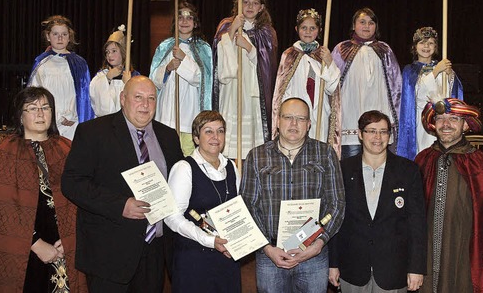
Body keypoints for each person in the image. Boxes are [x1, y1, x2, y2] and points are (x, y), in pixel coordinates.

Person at [62, 75, 184, 293]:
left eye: (151, 98)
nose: (145, 105)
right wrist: (120, 205)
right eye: (138, 97)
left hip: (155, 251)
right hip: (110, 252)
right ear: (122, 98)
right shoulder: (93, 132)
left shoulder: (168, 137)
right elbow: (72, 183)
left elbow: (181, 187)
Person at [0, 87, 86, 292]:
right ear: (20, 116)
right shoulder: (5, 152)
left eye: (45, 107)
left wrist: (71, 238)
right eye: (32, 108)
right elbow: (2, 208)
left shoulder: (67, 148)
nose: (40, 113)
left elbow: (81, 199)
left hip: (64, 244)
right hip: (23, 247)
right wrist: (37, 245)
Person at [241, 97, 345, 293]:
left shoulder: (325, 154)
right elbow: (248, 205)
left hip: (313, 254)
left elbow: (337, 203)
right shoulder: (257, 156)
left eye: (301, 118)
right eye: (288, 117)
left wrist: (320, 242)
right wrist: (266, 248)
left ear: (309, 124)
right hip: (270, 254)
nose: (294, 123)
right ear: (277, 121)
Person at [329, 110, 426, 292]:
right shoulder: (342, 170)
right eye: (371, 131)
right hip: (352, 269)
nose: (377, 137)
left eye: (383, 131)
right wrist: (332, 264)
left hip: (394, 271)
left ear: (390, 136)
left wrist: (416, 268)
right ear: (360, 134)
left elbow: (417, 224)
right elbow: (336, 222)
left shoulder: (408, 171)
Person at [415, 98, 483, 293]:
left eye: (454, 119)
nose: (446, 124)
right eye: (440, 118)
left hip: (463, 250)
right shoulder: (423, 159)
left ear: (465, 125)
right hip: (426, 249)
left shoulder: (478, 162)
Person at [164, 110, 240, 292]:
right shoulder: (184, 168)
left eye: (220, 131)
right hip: (194, 260)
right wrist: (209, 240)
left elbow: (237, 209)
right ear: (196, 138)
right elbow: (171, 217)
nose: (216, 137)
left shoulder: (231, 166)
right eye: (208, 131)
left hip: (227, 257)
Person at [212, 0, 278, 159]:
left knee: (249, 141)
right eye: (246, 2)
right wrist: (233, 29)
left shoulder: (266, 32)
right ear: (239, 3)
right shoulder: (226, 25)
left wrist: (248, 47)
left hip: (252, 93)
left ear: (261, 7)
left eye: (255, 3)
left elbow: (267, 67)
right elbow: (220, 60)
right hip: (231, 89)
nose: (250, 7)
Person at [332, 7, 401, 159]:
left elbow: (396, 85)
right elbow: (331, 82)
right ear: (353, 25)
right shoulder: (342, 49)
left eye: (371, 23)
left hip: (378, 108)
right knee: (351, 166)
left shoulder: (384, 50)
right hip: (351, 113)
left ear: (376, 27)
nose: (366, 26)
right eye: (362, 22)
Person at [272, 8, 341, 155]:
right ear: (297, 29)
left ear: (319, 30)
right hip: (297, 114)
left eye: (312, 28)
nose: (308, 31)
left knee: (318, 149)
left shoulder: (323, 54)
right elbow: (282, 89)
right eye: (304, 28)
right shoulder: (289, 54)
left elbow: (332, 87)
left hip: (319, 112)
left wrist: (329, 62)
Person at [150, 2, 212, 156]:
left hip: (188, 112)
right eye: (180, 17)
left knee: (187, 156)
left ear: (195, 23)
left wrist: (184, 59)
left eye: (189, 17)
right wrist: (168, 69)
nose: (184, 21)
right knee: (165, 155)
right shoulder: (165, 46)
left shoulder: (203, 48)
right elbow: (153, 80)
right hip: (167, 111)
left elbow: (202, 79)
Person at [397, 27, 463, 160]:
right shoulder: (410, 70)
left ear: (436, 47)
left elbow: (452, 93)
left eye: (430, 43)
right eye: (422, 43)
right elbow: (418, 94)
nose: (426, 46)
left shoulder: (442, 66)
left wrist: (450, 76)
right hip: (421, 120)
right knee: (424, 154)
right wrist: (435, 72)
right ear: (415, 47)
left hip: (441, 118)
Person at [28, 15, 94, 140]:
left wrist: (72, 117)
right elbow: (35, 96)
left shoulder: (79, 64)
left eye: (64, 34)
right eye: (55, 34)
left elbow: (85, 96)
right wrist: (56, 117)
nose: (60, 38)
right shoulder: (42, 63)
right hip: (48, 122)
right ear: (48, 36)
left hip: (73, 124)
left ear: (70, 37)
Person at [90, 24, 140, 117]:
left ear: (123, 52)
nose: (109, 55)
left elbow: (138, 101)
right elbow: (96, 100)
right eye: (107, 52)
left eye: (114, 51)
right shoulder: (101, 76)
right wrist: (108, 78)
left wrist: (128, 83)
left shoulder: (134, 76)